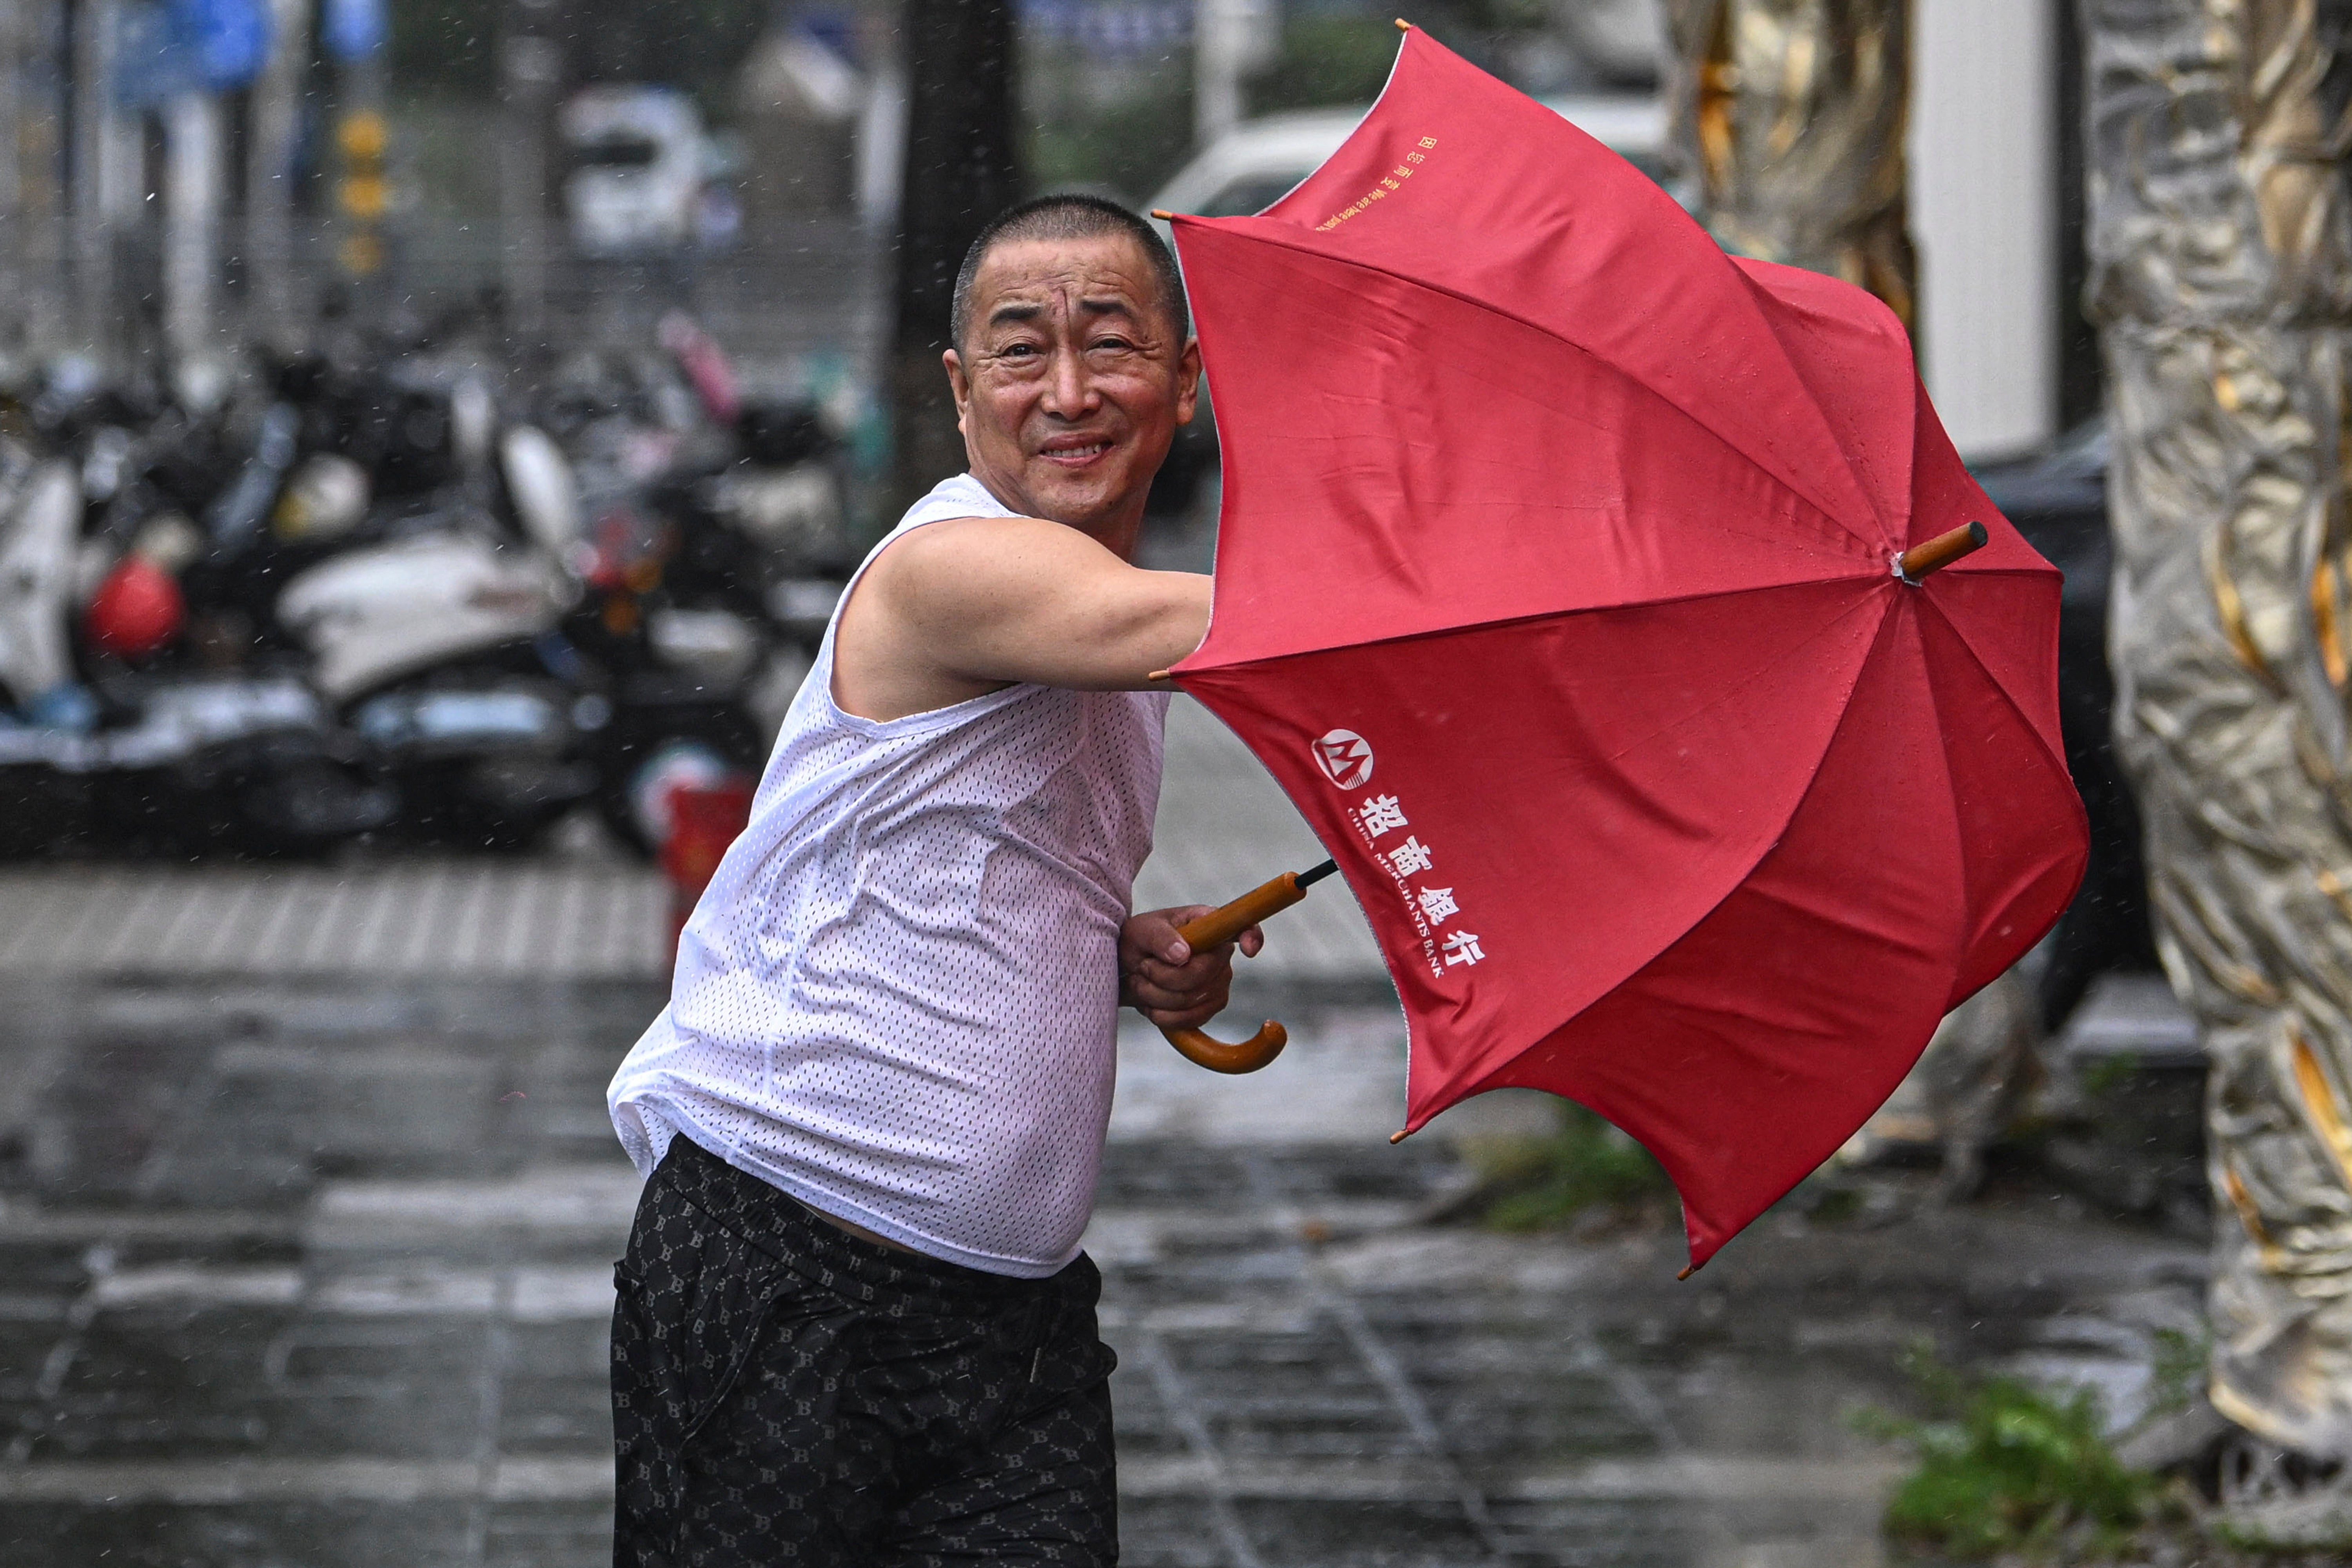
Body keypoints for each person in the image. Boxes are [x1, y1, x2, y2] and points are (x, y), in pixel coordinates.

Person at [605, 193, 1253, 1566]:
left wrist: (1118, 952)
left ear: (1188, 382)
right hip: (783, 1271)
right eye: (1023, 353)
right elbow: (1209, 623)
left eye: (1114, 345)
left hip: (1013, 1324)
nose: (1069, 392)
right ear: (964, 396)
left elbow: (996, 852)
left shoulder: (1108, 611)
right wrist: (1492, 567)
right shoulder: (948, 569)